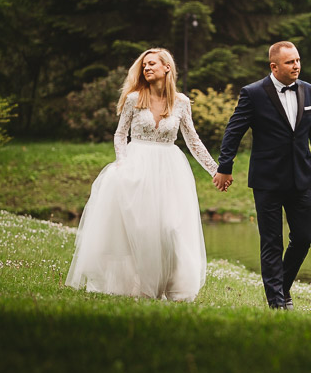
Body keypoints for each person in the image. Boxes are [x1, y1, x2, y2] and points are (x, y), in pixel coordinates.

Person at [66, 48, 218, 301]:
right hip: (136, 166)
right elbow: (119, 134)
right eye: (144, 65)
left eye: (152, 64)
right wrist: (122, 163)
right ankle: (143, 288)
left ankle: (172, 286)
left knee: (170, 228)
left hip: (170, 169)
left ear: (166, 68)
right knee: (142, 229)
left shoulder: (181, 102)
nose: (147, 68)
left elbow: (193, 141)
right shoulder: (134, 98)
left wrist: (215, 169)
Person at [213, 41, 311, 310]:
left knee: (303, 238)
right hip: (267, 180)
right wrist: (225, 166)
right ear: (274, 66)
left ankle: (282, 285)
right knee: (272, 242)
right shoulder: (253, 93)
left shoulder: (310, 91)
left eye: (298, 60)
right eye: (290, 62)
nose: (297, 66)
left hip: (301, 178)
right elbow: (234, 131)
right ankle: (277, 303)